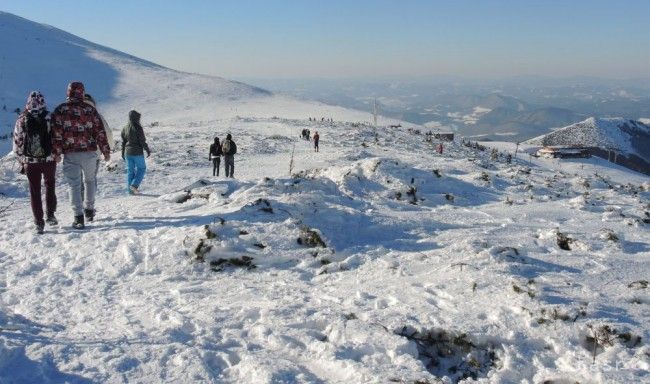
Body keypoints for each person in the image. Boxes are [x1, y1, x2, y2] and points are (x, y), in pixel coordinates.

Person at [51, 82, 110, 230]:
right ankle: (89, 210)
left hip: (71, 154)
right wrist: (105, 150)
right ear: (82, 93)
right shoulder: (90, 109)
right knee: (90, 181)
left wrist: (57, 153)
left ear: (68, 92)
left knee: (74, 185)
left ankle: (78, 217)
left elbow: (56, 135)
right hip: (90, 152)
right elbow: (100, 132)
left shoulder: (60, 110)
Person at [12, 91, 58, 234]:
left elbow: (17, 141)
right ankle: (50, 214)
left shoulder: (22, 118)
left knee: (34, 191)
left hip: (30, 161)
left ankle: (39, 222)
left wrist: (21, 160)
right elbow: (56, 137)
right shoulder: (50, 117)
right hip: (48, 159)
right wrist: (56, 154)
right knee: (50, 185)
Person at [121, 110, 150, 194]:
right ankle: (134, 185)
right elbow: (142, 140)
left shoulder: (125, 127)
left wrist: (122, 152)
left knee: (130, 171)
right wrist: (147, 149)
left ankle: (130, 191)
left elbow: (123, 142)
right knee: (142, 168)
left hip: (127, 152)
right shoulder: (138, 127)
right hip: (137, 152)